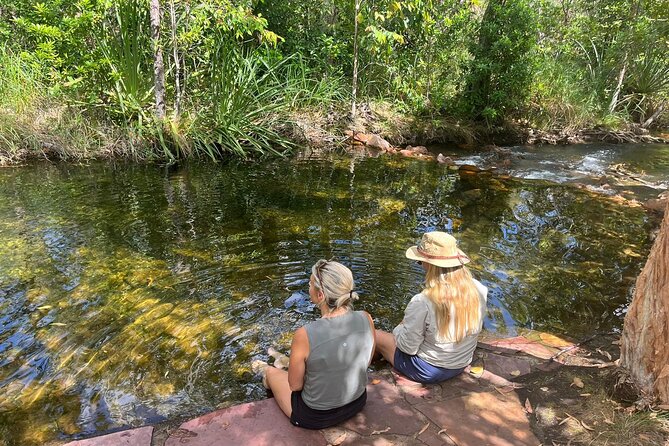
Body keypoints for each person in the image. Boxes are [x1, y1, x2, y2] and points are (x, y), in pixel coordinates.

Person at [255, 259, 375, 429]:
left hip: (314, 416)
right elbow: (366, 361)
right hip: (357, 402)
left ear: (320, 295)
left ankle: (268, 368)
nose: (308, 287)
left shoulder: (304, 334)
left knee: (268, 372)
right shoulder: (366, 317)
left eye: (310, 284)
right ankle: (284, 360)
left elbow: (295, 386)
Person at [374, 231, 488, 384]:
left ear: (429, 264)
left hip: (427, 370)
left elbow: (407, 348)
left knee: (373, 334)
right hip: (461, 363)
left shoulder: (423, 301)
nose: (421, 266)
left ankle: (366, 370)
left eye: (420, 262)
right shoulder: (479, 289)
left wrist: (399, 327)